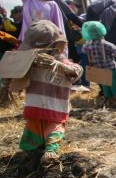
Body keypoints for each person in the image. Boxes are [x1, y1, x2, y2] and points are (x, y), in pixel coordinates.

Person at [12, 20, 82, 164]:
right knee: (54, 127)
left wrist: (61, 67)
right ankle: (49, 150)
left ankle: (36, 151)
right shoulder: (35, 62)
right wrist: (64, 67)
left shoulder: (33, 62)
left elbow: (76, 70)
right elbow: (78, 71)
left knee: (33, 129)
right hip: (55, 105)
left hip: (35, 104)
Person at [81, 21, 116, 107]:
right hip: (111, 69)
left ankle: (109, 102)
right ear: (101, 31)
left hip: (99, 70)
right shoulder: (107, 44)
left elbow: (83, 51)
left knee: (106, 87)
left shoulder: (87, 45)